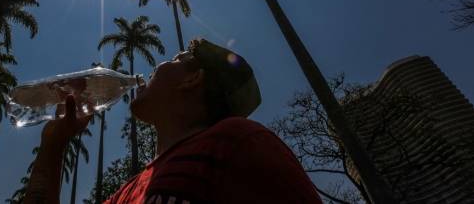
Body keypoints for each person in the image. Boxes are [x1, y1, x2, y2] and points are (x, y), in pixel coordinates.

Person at [23, 38, 321, 203]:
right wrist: (53, 144)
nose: (156, 67)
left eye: (176, 60)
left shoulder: (237, 142)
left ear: (193, 79)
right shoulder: (124, 195)